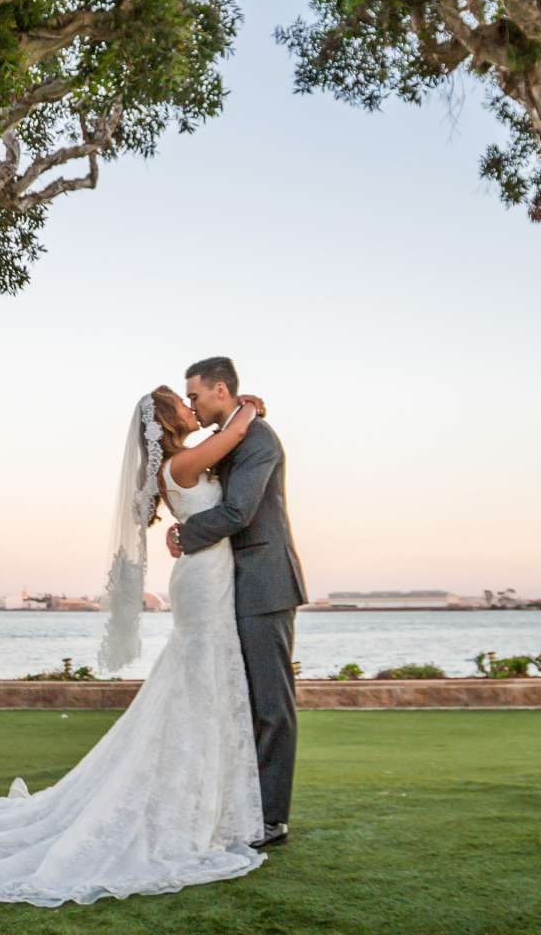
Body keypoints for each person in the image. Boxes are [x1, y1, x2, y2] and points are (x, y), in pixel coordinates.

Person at [0, 379, 274, 904]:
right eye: (185, 404)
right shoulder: (183, 464)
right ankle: (187, 806)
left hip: (207, 574)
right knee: (198, 680)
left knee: (198, 685)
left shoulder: (185, 463)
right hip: (202, 581)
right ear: (170, 420)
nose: (195, 410)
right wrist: (248, 406)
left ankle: (203, 799)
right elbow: (238, 429)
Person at [166, 355, 306, 848]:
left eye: (196, 395)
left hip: (265, 583)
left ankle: (272, 819)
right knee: (241, 699)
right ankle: (244, 803)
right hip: (231, 583)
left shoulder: (259, 440)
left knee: (271, 703)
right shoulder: (235, 436)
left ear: (221, 390)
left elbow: (240, 511)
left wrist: (186, 534)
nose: (192, 404)